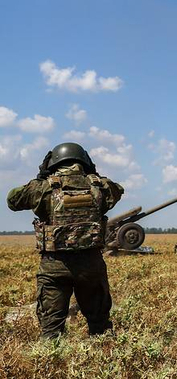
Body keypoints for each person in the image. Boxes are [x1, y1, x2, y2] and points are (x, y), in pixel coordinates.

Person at [6, 142, 124, 339]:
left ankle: (51, 364)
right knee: (100, 326)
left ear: (53, 163)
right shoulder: (101, 187)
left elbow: (12, 200)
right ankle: (104, 359)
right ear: (84, 161)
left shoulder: (42, 188)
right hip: (91, 266)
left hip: (54, 266)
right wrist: (92, 173)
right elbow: (117, 190)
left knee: (51, 331)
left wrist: (41, 177)